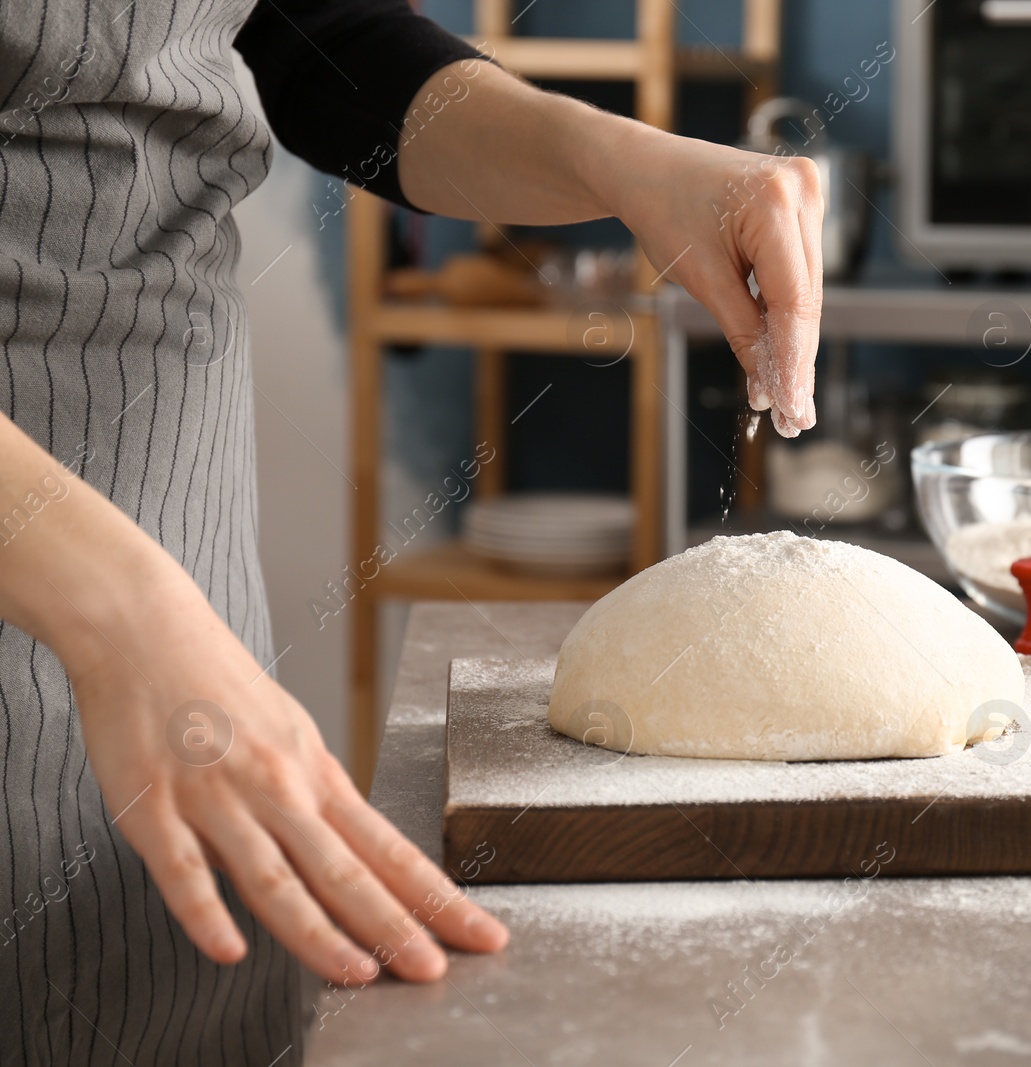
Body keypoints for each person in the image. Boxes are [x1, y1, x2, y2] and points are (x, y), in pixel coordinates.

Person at [0, 0, 821, 1062]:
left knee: (167, 974)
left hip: (167, 484)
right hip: (108, 581)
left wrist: (617, 159)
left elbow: (324, 43)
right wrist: (118, 610)